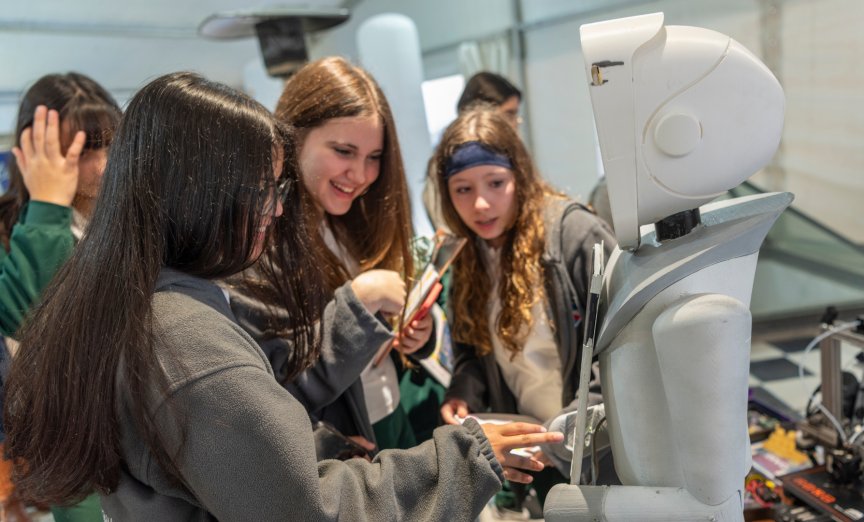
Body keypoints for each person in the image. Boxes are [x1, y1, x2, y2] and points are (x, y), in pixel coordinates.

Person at [2, 72, 562, 520]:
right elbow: (305, 503)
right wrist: (466, 456)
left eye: (373, 159)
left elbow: (241, 437)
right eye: (265, 191)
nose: (275, 208)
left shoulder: (151, 303)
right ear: (202, 195)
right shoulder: (183, 337)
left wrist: (319, 444)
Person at [230, 56, 433, 453]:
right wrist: (361, 301)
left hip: (389, 419)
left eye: (374, 158)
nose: (360, 175)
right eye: (343, 151)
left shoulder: (351, 220)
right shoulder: (257, 243)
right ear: (292, 136)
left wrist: (421, 335)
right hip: (347, 445)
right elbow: (274, 386)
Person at [432, 107, 617, 510]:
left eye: (496, 183)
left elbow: (623, 350)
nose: (481, 204)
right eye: (462, 189)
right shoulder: (468, 255)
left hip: (599, 452)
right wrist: (464, 389)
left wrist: (567, 432)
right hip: (535, 453)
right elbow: (472, 350)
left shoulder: (573, 236)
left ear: (520, 176)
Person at [0, 72, 120, 522]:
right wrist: (48, 202)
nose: (104, 165)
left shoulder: (134, 219)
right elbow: (33, 316)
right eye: (85, 151)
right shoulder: (10, 232)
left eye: (112, 145)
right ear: (33, 155)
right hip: (77, 452)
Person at [425, 71, 523, 233]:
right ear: (480, 115)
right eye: (509, 115)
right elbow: (447, 232)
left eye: (496, 183)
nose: (515, 124)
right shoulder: (444, 164)